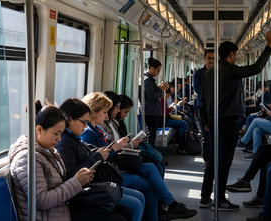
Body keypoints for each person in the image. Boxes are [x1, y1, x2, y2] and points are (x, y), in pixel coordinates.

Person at [80, 92, 197, 220]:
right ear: (95, 111)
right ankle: (163, 210)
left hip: (113, 167)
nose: (107, 116)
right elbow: (98, 158)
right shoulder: (88, 133)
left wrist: (119, 146)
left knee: (154, 166)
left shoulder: (98, 129)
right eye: (104, 112)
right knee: (149, 183)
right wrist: (117, 147)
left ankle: (164, 210)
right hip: (109, 173)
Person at [199, 31, 271, 210]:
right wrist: (269, 46)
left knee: (214, 159)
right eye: (235, 55)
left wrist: (207, 121)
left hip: (214, 120)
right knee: (224, 161)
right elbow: (256, 68)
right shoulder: (229, 70)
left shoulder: (209, 74)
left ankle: (204, 196)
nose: (236, 58)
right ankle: (219, 199)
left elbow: (206, 99)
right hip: (228, 121)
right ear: (230, 55)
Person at [56, 98, 144, 221]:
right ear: (70, 119)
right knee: (133, 205)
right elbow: (72, 174)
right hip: (80, 196)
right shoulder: (64, 143)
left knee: (137, 199)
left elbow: (84, 156)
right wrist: (98, 156)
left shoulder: (75, 137)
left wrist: (98, 153)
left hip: (90, 186)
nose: (85, 126)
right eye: (83, 122)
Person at [9, 102, 95, 221]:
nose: (59, 139)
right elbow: (40, 201)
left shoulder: (47, 151)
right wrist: (76, 182)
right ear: (39, 130)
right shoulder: (27, 159)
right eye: (56, 133)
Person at [194, 49, 214, 169]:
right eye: (209, 58)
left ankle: (216, 159)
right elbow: (198, 89)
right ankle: (207, 160)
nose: (211, 60)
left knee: (217, 135)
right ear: (205, 59)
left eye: (213, 58)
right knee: (206, 136)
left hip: (217, 107)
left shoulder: (219, 73)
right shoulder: (199, 74)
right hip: (203, 107)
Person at [142, 57, 169, 147]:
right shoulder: (147, 80)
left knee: (152, 134)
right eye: (158, 70)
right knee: (152, 135)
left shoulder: (149, 80)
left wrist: (158, 88)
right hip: (151, 112)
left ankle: (152, 153)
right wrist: (161, 90)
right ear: (152, 68)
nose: (158, 73)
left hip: (152, 111)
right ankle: (151, 153)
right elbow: (152, 96)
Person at [161, 89, 189, 154]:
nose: (167, 98)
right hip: (163, 121)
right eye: (167, 96)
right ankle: (181, 147)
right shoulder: (161, 100)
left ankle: (178, 142)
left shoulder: (161, 100)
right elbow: (164, 111)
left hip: (165, 119)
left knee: (182, 122)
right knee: (183, 124)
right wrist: (171, 107)